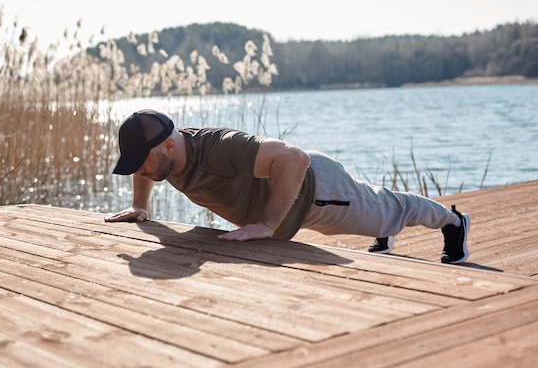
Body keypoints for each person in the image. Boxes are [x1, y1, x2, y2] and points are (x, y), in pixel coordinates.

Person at [105, 109, 470, 264]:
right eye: (137, 164)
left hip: (316, 193)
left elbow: (294, 159)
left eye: (144, 160)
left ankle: (453, 223)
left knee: (390, 209)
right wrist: (142, 207)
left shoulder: (217, 148)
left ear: (169, 145)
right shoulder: (162, 159)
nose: (142, 170)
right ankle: (384, 229)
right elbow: (143, 169)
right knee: (376, 204)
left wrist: (267, 225)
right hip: (303, 197)